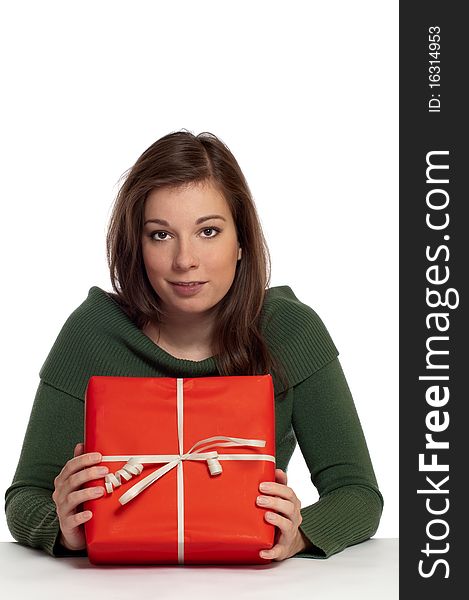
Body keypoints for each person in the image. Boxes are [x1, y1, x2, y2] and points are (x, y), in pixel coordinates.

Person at [4, 130, 383, 561]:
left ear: (241, 241)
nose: (185, 260)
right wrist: (65, 528)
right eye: (161, 235)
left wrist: (298, 534)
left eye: (208, 231)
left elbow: (358, 494)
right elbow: (25, 497)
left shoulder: (290, 331)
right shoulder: (92, 333)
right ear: (137, 245)